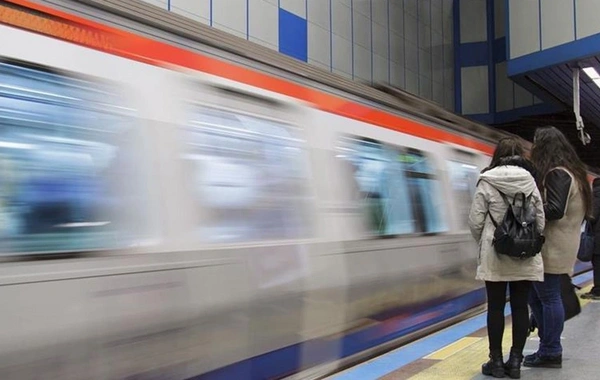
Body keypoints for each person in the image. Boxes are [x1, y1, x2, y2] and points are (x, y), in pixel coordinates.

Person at [468, 137, 545, 379]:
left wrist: (488, 240)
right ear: (521, 156)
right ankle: (515, 362)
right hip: (524, 254)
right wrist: (526, 238)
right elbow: (541, 222)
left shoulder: (487, 181)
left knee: (496, 307)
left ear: (497, 155)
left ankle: (497, 362)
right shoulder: (530, 182)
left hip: (495, 253)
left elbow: (475, 221)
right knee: (521, 306)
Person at [526, 126, 592, 369]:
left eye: (536, 144)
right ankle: (547, 346)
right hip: (561, 243)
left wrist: (528, 211)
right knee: (537, 295)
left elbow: (554, 209)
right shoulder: (572, 173)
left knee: (548, 296)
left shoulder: (558, 174)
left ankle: (551, 350)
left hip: (553, 246)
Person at [581, 177, 600, 300]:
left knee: (598, 263)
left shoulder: (597, 195)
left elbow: (592, 215)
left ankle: (598, 290)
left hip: (598, 237)